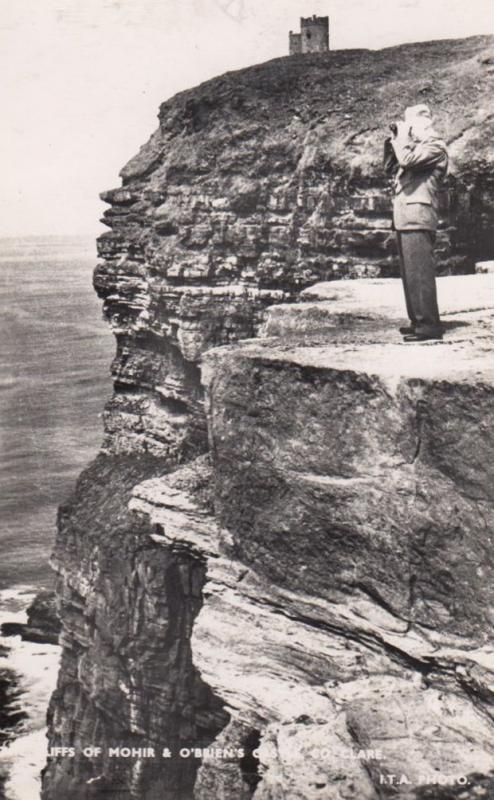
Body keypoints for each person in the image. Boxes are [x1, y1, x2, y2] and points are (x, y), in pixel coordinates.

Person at [383, 104, 449, 342]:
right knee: (410, 273)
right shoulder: (414, 147)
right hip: (406, 218)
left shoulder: (435, 147)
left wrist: (402, 138)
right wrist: (393, 140)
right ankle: (418, 320)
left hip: (419, 216)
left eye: (409, 125)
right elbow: (391, 168)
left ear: (422, 124)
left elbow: (408, 162)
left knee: (420, 273)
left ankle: (428, 326)